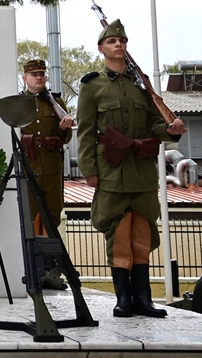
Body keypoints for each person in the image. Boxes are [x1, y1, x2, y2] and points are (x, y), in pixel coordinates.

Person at [77, 19, 186, 318]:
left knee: (142, 232)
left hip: (142, 170)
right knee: (119, 233)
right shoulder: (92, 85)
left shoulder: (141, 84)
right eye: (112, 41)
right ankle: (123, 299)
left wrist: (171, 130)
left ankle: (143, 299)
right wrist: (89, 170)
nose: (119, 44)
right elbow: (85, 132)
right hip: (111, 169)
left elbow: (154, 124)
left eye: (122, 41)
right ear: (101, 48)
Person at [19, 59, 74, 290]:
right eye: (34, 74)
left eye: (42, 74)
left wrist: (64, 128)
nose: (39, 77)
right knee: (32, 219)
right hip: (29, 167)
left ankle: (51, 270)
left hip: (51, 168)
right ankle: (34, 270)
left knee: (51, 218)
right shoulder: (19, 103)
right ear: (25, 78)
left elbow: (66, 138)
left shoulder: (56, 102)